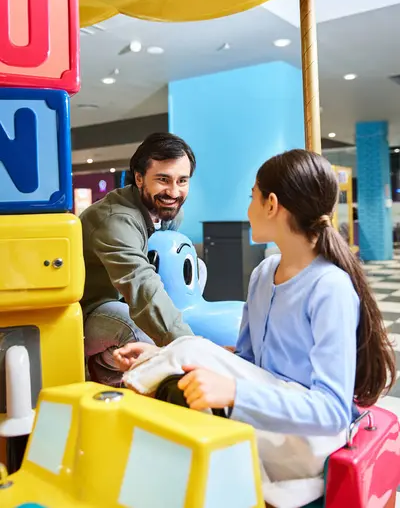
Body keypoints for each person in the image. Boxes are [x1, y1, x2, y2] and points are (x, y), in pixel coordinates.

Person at [115, 149, 395, 440]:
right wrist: (165, 357)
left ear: (271, 204)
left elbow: (332, 412)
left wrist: (236, 393)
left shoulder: (330, 287)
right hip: (263, 415)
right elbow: (247, 361)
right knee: (186, 363)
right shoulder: (264, 273)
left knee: (187, 368)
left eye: (252, 198)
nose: (248, 210)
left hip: (310, 438)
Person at [80, 132, 196, 386]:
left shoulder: (168, 212)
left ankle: (110, 361)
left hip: (120, 299)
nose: (173, 192)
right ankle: (107, 376)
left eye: (182, 181)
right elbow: (143, 287)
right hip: (85, 312)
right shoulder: (115, 220)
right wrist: (193, 351)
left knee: (171, 327)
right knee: (138, 331)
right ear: (140, 178)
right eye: (163, 180)